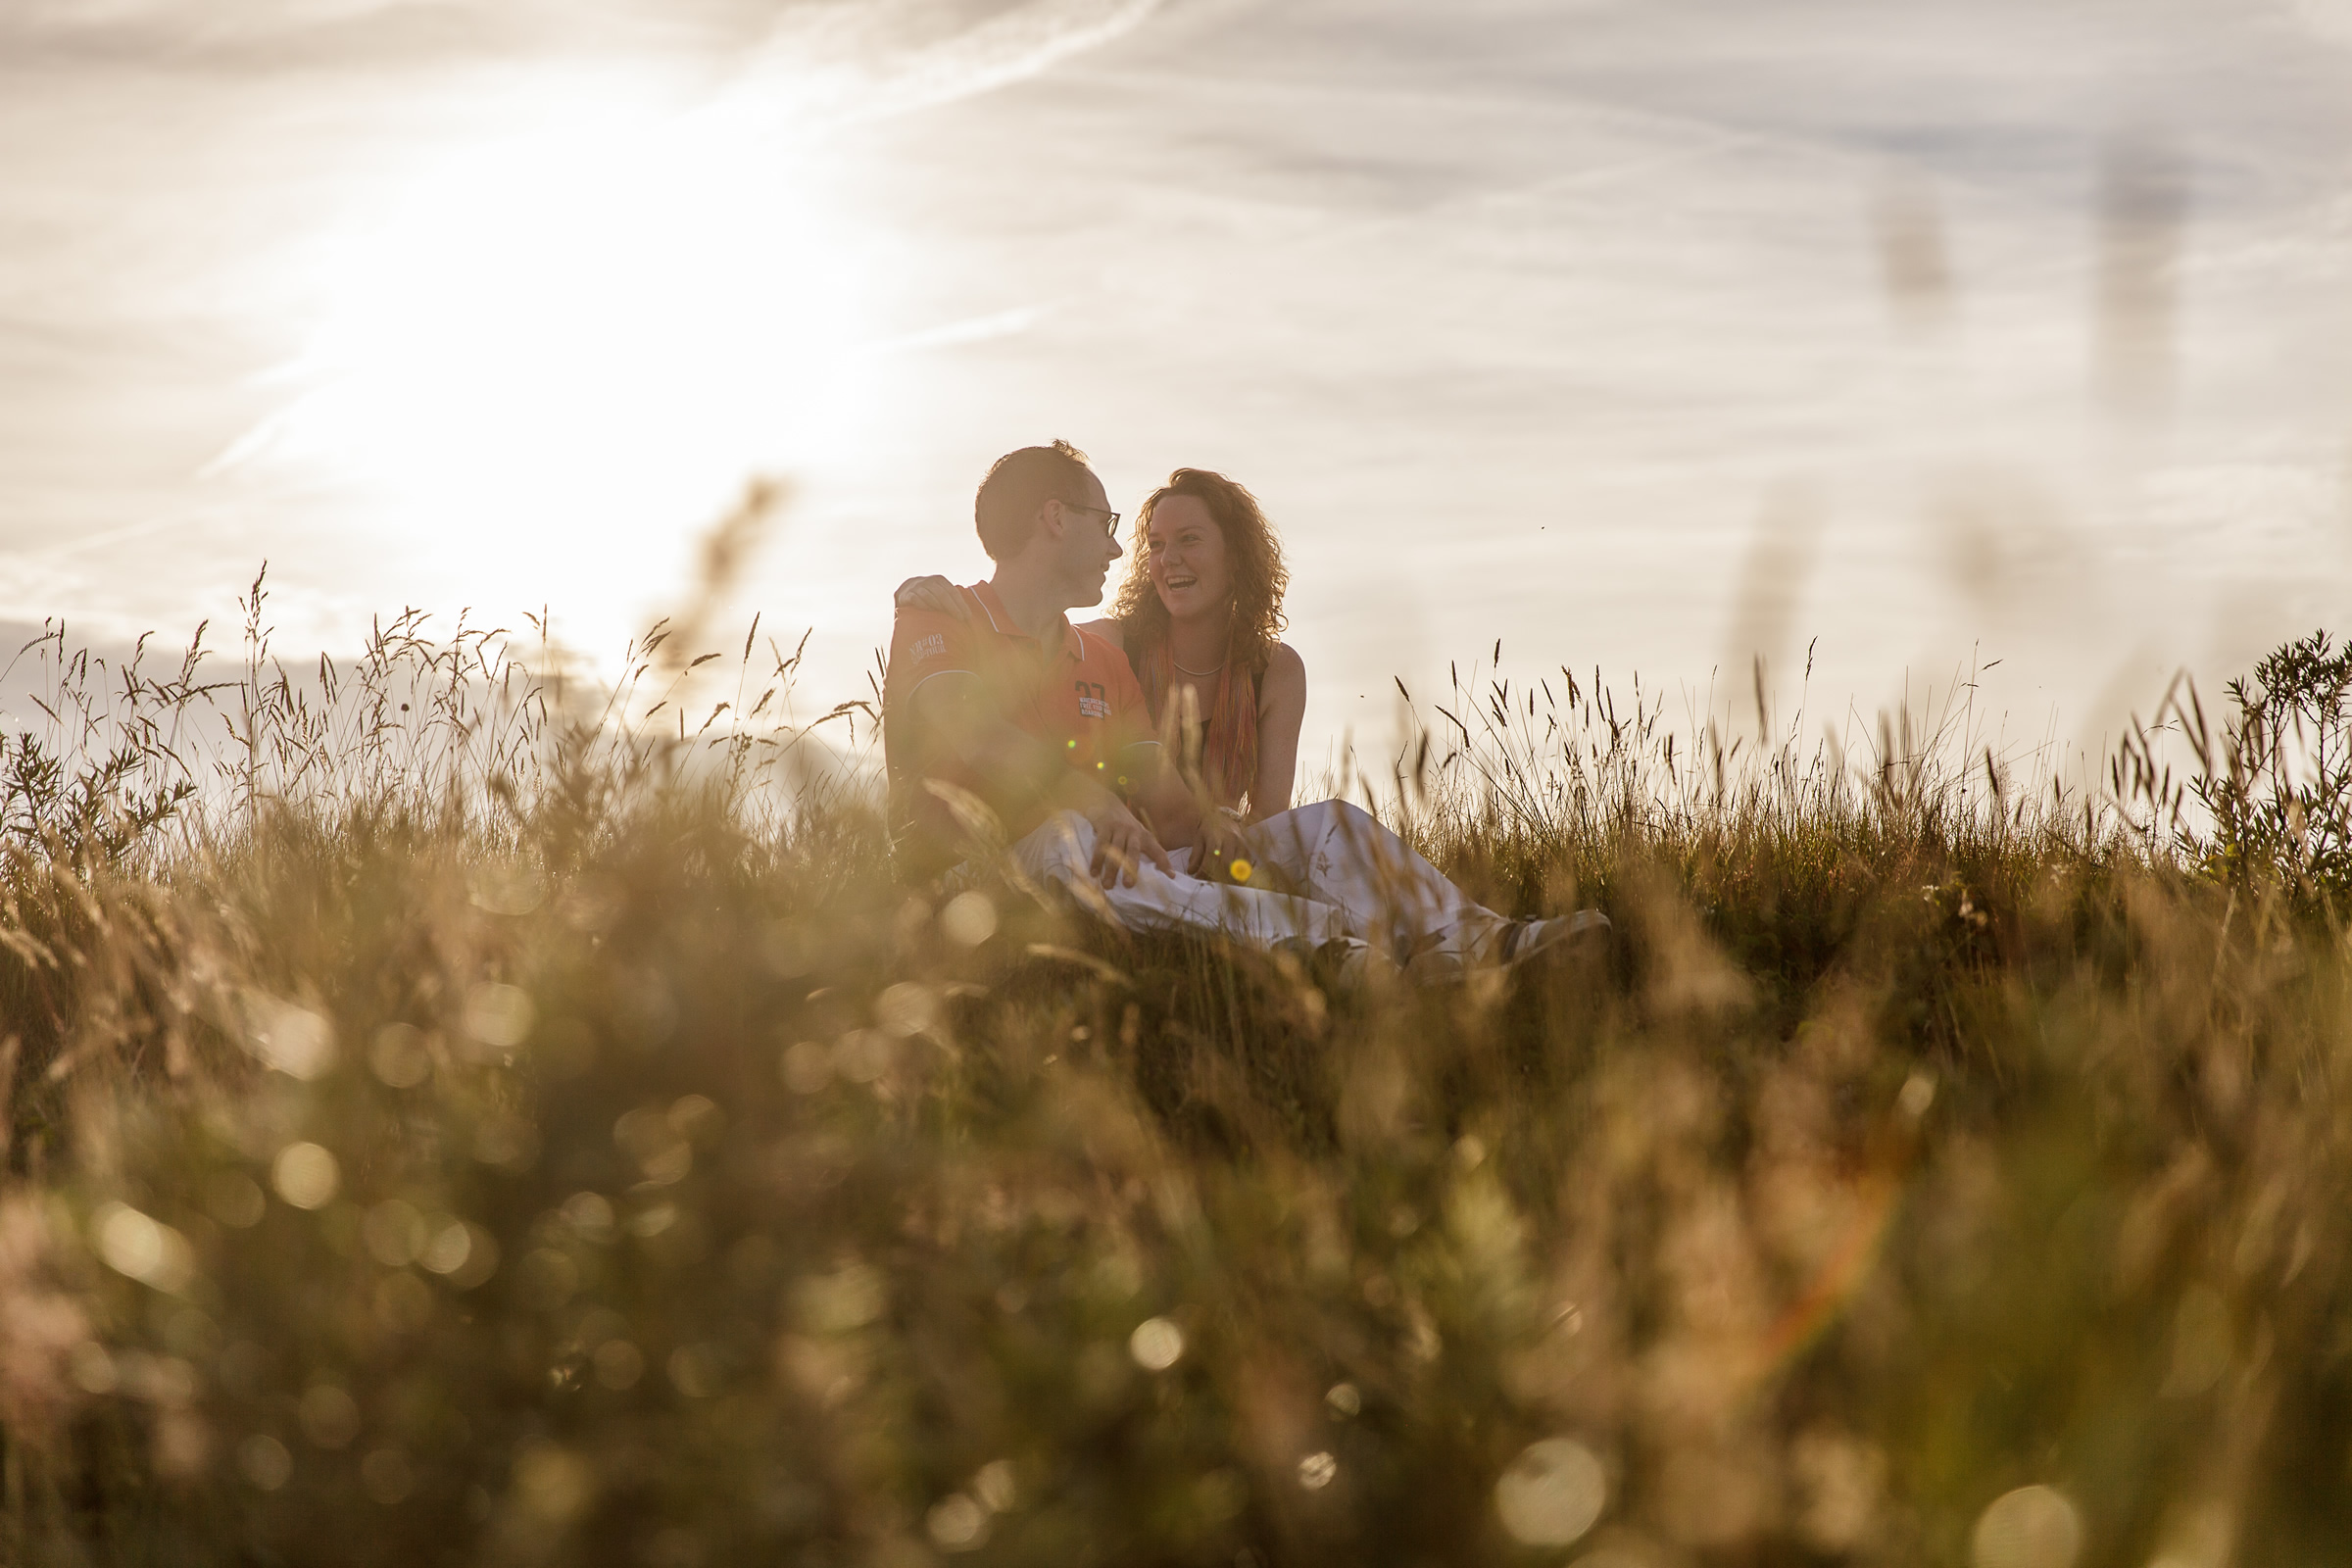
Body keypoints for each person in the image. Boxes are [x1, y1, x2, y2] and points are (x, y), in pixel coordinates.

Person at [887, 447, 1603, 984]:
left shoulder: (1101, 663)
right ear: (1053, 519)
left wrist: (1212, 828)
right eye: (1108, 525)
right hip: (973, 884)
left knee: (1324, 822)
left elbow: (1164, 802)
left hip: (1103, 868)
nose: (1118, 547)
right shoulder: (941, 613)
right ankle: (1344, 950)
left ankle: (1482, 941)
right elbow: (967, 732)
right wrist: (1086, 793)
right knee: (1077, 835)